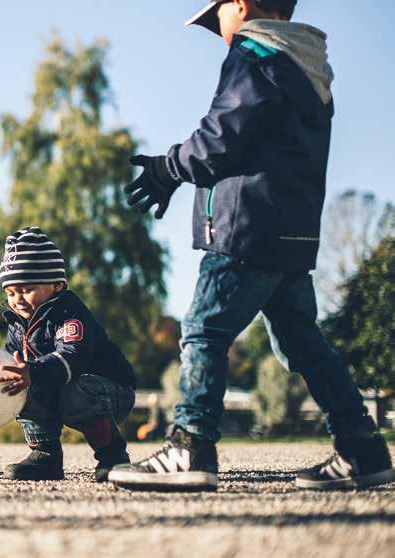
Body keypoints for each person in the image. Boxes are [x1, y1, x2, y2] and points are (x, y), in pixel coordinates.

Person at [109, 0, 394, 491]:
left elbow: (221, 136)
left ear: (240, 5)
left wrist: (167, 167)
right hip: (292, 233)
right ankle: (363, 448)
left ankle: (191, 445)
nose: (216, 28)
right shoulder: (308, 68)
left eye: (215, 15)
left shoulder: (253, 55)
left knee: (204, 329)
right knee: (303, 342)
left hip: (245, 228)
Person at [0, 227, 137, 482]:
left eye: (26, 290)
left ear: (57, 285)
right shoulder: (17, 322)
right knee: (23, 383)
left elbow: (73, 355)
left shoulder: (68, 313)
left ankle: (112, 456)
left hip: (108, 390)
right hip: (59, 386)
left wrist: (33, 372)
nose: (17, 300)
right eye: (10, 293)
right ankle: (45, 455)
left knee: (74, 389)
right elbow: (13, 360)